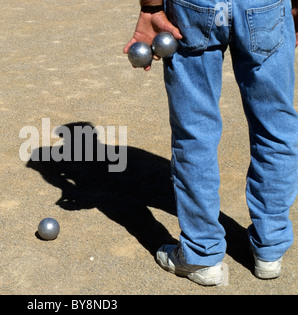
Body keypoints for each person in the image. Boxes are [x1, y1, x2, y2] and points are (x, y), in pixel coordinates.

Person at [124, 0, 298, 286]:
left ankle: (201, 256)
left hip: (196, 6)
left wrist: (152, 7)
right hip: (263, 5)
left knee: (194, 134)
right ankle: (271, 248)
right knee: (275, 129)